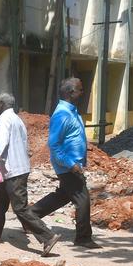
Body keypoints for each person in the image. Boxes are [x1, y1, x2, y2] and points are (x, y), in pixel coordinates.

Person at [0, 92, 60, 256]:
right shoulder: (17, 120)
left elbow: (1, 144)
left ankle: (47, 237)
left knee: (20, 207)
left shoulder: (4, 119)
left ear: (1, 103)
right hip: (13, 169)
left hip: (14, 170)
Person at [31, 77, 100, 249]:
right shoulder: (62, 114)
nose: (83, 93)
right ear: (71, 92)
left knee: (62, 196)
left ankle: (31, 215)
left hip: (72, 164)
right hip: (67, 166)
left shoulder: (72, 112)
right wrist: (71, 163)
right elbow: (54, 144)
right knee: (83, 200)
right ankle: (83, 238)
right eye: (80, 89)